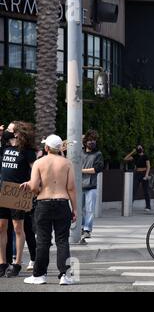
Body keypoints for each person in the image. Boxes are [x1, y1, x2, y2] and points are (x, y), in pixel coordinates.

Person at [21, 135, 77, 285]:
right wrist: (75, 209)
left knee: (43, 241)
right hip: (62, 203)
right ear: (59, 148)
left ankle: (39, 275)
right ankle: (64, 275)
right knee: (62, 241)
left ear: (46, 148)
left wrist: (38, 192)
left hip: (43, 204)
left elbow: (33, 187)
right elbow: (71, 188)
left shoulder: (39, 163)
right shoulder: (67, 163)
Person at [0, 121, 36, 278]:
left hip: (19, 192)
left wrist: (31, 183)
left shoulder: (27, 151)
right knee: (1, 227)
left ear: (16, 133)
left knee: (18, 229)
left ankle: (17, 263)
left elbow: (36, 170)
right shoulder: (4, 148)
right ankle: (2, 263)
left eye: (9, 129)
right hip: (3, 191)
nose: (6, 131)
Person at [81, 130, 104, 239]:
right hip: (79, 185)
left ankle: (87, 229)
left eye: (94, 140)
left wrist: (80, 170)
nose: (92, 142)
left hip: (91, 186)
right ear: (85, 141)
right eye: (90, 140)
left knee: (90, 209)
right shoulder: (79, 152)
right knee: (79, 208)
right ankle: (80, 227)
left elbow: (97, 169)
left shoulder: (98, 154)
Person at [124, 144, 152, 212]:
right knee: (134, 189)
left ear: (142, 149)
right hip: (137, 173)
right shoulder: (135, 156)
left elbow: (148, 166)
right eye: (138, 148)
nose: (139, 148)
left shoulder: (145, 156)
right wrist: (132, 152)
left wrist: (146, 175)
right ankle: (130, 205)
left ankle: (148, 206)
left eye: (140, 147)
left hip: (144, 173)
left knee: (146, 191)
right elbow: (125, 158)